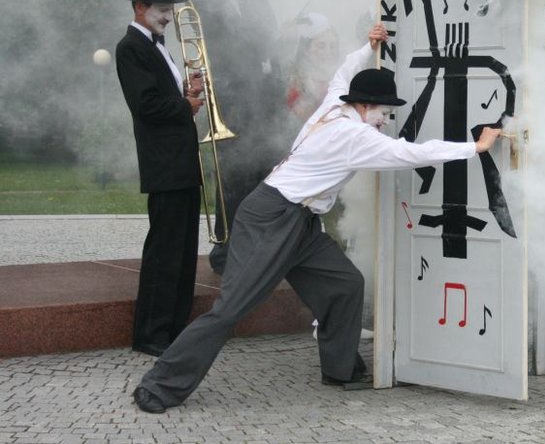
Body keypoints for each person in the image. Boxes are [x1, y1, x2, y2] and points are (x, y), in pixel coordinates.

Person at [132, 23, 503, 413]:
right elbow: (410, 154)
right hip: (271, 219)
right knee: (231, 310)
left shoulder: (335, 103)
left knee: (344, 285)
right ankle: (159, 385)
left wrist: (368, 45)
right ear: (363, 106)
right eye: (383, 112)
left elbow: (345, 69)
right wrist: (474, 147)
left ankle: (339, 369)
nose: (385, 120)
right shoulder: (354, 136)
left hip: (301, 222)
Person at [115, 0, 204, 357]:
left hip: (181, 161)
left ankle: (174, 327)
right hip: (164, 164)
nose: (169, 16)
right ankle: (150, 333)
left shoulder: (158, 45)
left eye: (170, 8)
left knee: (184, 252)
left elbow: (163, 98)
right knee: (164, 252)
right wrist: (184, 103)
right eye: (163, 9)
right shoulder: (130, 47)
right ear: (140, 7)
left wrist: (187, 91)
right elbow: (146, 105)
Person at [189, 0, 287, 274]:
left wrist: (275, 84)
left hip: (263, 104)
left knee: (266, 178)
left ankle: (263, 251)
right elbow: (202, 57)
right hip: (229, 104)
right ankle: (227, 252)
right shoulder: (198, 2)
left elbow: (271, 46)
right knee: (232, 183)